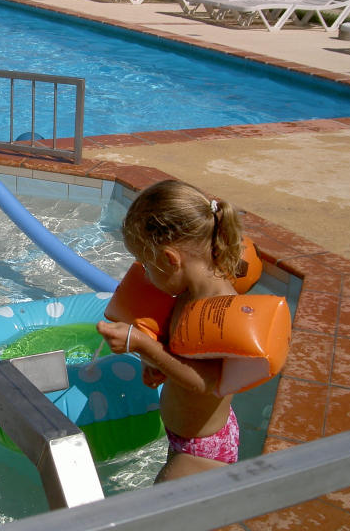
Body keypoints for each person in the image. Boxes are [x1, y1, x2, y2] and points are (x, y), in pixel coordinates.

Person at [96, 179, 243, 482]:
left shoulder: (217, 310)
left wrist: (143, 346)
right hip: (189, 436)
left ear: (169, 259)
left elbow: (207, 383)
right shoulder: (191, 294)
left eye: (147, 266)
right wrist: (157, 364)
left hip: (202, 450)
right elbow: (189, 358)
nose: (145, 275)